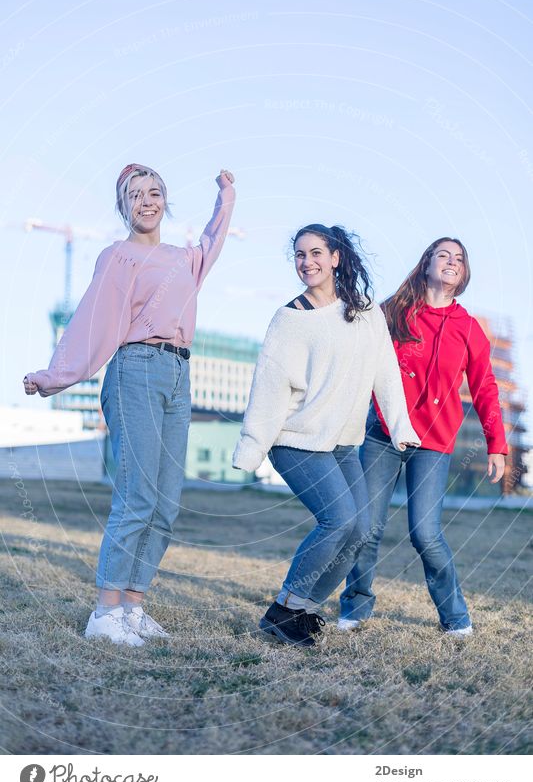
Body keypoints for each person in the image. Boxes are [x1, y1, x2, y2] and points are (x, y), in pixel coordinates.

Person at [24, 163, 236, 645]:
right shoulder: (117, 256)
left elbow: (213, 241)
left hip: (180, 374)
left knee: (165, 500)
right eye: (135, 194)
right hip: (135, 369)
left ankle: (133, 607)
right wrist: (55, 376)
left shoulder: (185, 259)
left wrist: (226, 196)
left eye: (155, 192)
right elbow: (92, 320)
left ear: (166, 200)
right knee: (137, 494)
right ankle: (105, 613)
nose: (147, 200)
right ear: (123, 207)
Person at [233, 224, 419, 648]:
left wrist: (400, 425)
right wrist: (252, 446)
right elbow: (269, 386)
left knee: (364, 528)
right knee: (339, 520)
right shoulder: (290, 318)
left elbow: (385, 373)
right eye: (299, 255)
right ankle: (285, 607)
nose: (307, 262)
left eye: (316, 253)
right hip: (295, 439)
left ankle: (302, 609)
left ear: (335, 257)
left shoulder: (366, 311)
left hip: (342, 443)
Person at [338, 238, 508, 638]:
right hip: (383, 434)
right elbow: (358, 360)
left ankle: (455, 617)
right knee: (366, 527)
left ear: (463, 274)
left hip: (434, 443)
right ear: (427, 263)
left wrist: (496, 444)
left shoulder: (469, 328)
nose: (452, 262)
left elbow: (484, 387)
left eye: (459, 258)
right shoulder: (393, 311)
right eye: (443, 255)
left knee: (426, 534)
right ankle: (356, 608)